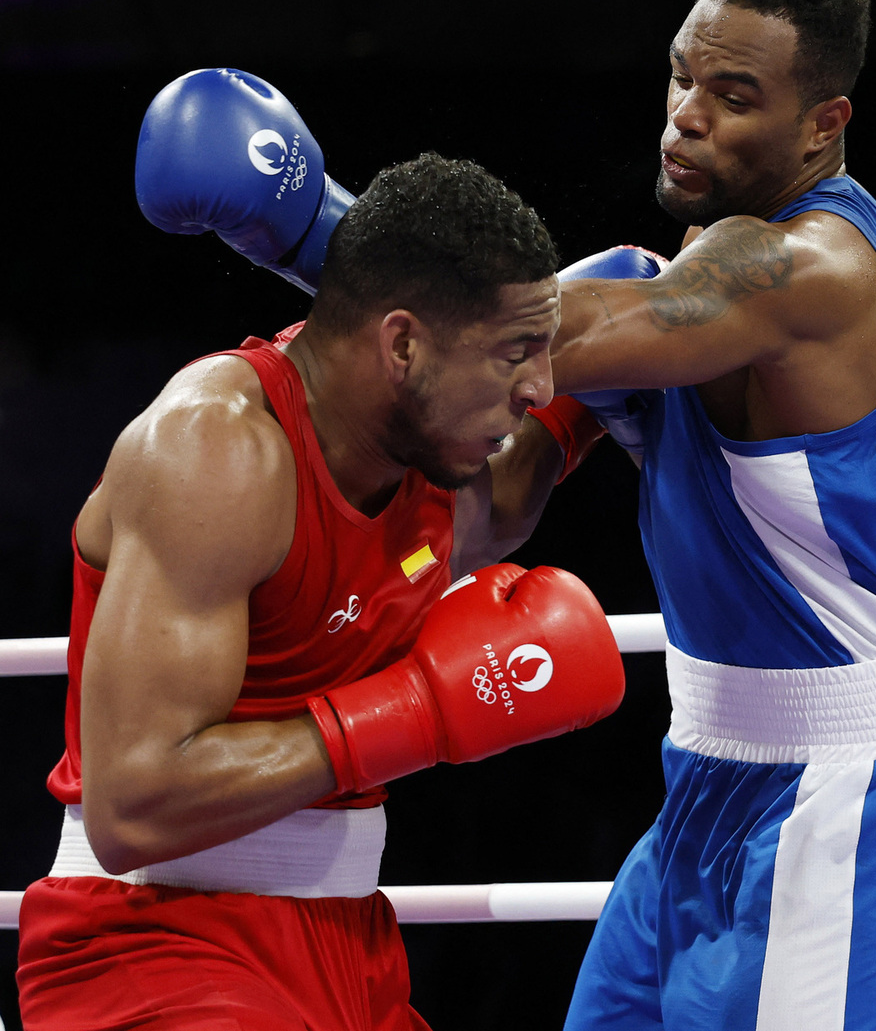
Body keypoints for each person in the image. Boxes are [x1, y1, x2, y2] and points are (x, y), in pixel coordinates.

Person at [15, 71, 627, 1031]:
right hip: (151, 943)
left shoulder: (452, 474)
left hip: (349, 951)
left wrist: (625, 371)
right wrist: (418, 709)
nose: (539, 385)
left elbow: (592, 355)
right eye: (515, 355)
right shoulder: (218, 452)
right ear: (401, 346)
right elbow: (131, 808)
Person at [546, 0, 876, 1031]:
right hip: (704, 783)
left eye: (732, 96)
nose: (686, 114)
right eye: (681, 76)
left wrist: (316, 227)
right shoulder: (714, 255)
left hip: (844, 797)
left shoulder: (799, 271)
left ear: (821, 124)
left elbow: (528, 334)